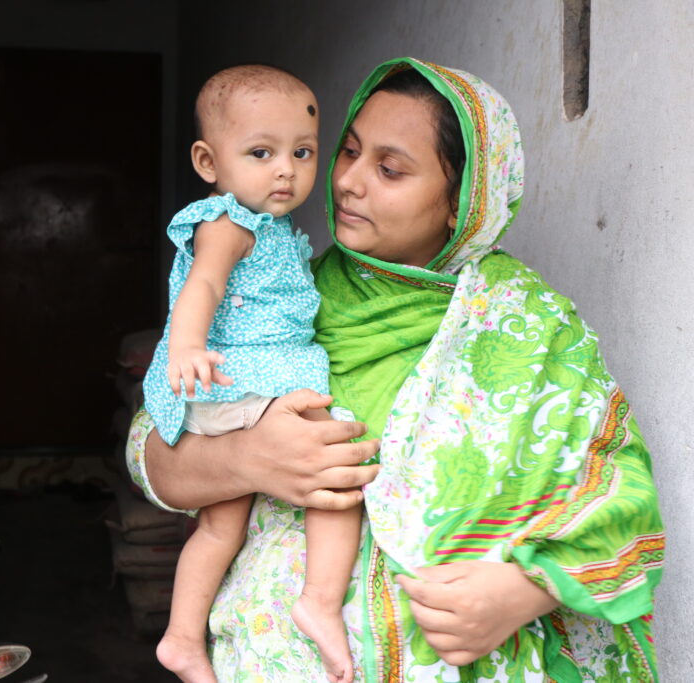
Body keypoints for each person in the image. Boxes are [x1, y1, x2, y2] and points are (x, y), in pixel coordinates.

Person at [127, 57, 665, 682]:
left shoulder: (526, 325)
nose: (349, 180)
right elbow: (151, 442)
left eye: (389, 168)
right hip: (268, 658)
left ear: (461, 202)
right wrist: (245, 459)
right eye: (348, 152)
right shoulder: (284, 298)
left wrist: (527, 590)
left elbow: (620, 494)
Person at [145, 64, 359, 683]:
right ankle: (319, 602)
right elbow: (203, 284)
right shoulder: (228, 223)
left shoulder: (274, 230)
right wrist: (186, 345)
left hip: (238, 379)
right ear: (208, 162)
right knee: (331, 456)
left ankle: (182, 639)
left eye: (302, 151)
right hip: (237, 376)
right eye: (261, 152)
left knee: (220, 524)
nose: (286, 169)